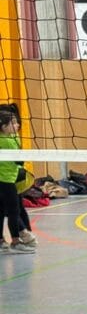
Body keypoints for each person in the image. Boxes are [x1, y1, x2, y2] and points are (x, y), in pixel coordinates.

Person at [0, 108, 34, 254]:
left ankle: (1, 242)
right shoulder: (8, 141)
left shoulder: (8, 138)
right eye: (13, 123)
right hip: (7, 181)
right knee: (14, 211)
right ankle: (16, 242)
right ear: (4, 127)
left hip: (5, 179)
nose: (17, 125)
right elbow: (19, 161)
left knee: (1, 211)